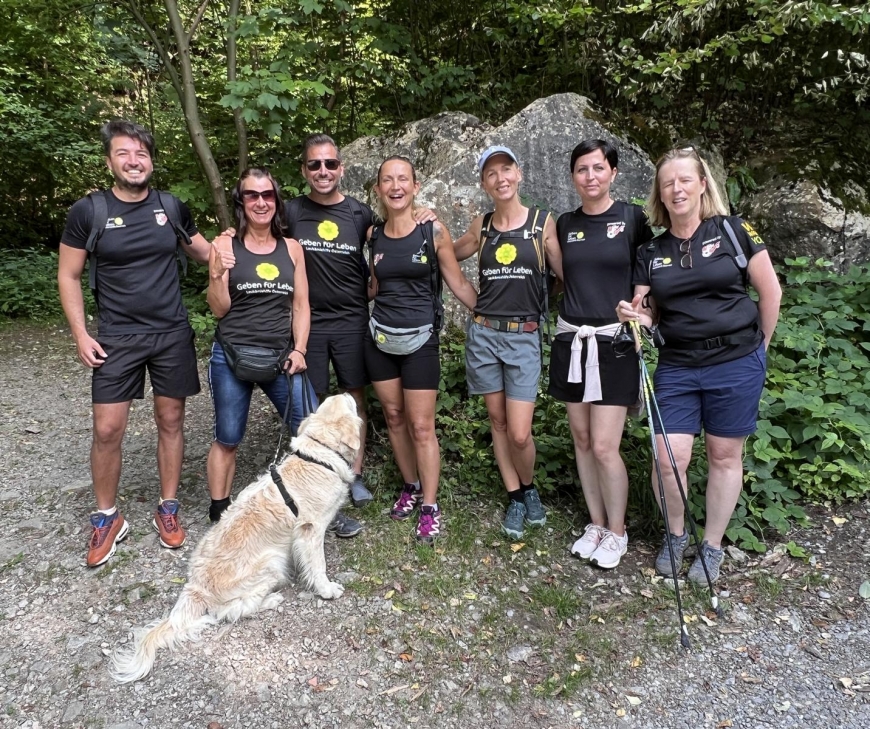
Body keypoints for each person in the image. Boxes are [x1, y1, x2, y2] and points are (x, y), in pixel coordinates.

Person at [617, 147, 781, 582]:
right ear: (660, 193)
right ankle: (677, 534)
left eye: (685, 180)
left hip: (737, 360)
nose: (677, 189)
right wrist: (635, 314)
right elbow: (646, 310)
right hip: (678, 364)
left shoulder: (733, 230)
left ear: (703, 184)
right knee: (668, 457)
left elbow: (771, 292)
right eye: (668, 183)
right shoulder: (651, 251)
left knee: (724, 455)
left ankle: (712, 545)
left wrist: (760, 349)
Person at [57, 119, 212, 567]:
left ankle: (168, 506)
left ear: (151, 162)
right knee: (107, 429)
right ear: (109, 161)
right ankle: (107, 517)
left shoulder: (171, 207)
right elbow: (68, 275)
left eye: (141, 153)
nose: (133, 161)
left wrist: (255, 243)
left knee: (171, 420)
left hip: (171, 333)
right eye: (123, 153)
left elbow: (206, 253)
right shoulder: (89, 211)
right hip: (116, 337)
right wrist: (81, 334)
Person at [283, 134, 437, 535]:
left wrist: (424, 213)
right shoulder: (291, 212)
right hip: (310, 321)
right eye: (314, 164)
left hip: (353, 319)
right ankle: (318, 475)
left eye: (330, 164)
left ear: (342, 168)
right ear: (304, 170)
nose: (323, 171)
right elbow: (258, 233)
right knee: (313, 404)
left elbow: (395, 233)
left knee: (355, 402)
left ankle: (353, 474)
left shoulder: (360, 214)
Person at [548, 140, 654, 569]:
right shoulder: (565, 223)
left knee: (606, 445)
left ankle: (617, 530)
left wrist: (643, 309)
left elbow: (649, 273)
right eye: (581, 169)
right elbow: (560, 276)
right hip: (572, 339)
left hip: (614, 342)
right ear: (572, 176)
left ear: (613, 172)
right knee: (582, 440)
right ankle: (595, 523)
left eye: (598, 168)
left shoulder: (632, 218)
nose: (590, 176)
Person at [366, 156, 478, 544]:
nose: (395, 186)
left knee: (421, 426)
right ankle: (410, 486)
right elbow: (373, 287)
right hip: (381, 339)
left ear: (415, 186)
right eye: (387, 180)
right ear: (378, 189)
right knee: (394, 416)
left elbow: (458, 283)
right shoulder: (373, 235)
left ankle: (430, 506)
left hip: (420, 340)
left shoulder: (433, 231)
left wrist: (489, 313)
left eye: (403, 179)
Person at [453, 146, 562, 540]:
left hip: (523, 337)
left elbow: (565, 275)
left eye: (506, 169)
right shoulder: (480, 226)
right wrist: (424, 226)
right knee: (497, 422)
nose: (500, 178)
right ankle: (515, 497)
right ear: (484, 183)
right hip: (484, 335)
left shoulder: (542, 223)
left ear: (519, 174)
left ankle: (529, 487)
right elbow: (446, 254)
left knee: (519, 432)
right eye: (491, 173)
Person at [205, 167, 317, 524]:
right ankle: (220, 510)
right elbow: (218, 308)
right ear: (241, 202)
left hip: (281, 356)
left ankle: (313, 505)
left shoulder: (292, 248)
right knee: (228, 436)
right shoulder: (224, 246)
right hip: (231, 355)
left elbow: (301, 305)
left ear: (276, 201)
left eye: (267, 194)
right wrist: (217, 274)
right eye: (251, 195)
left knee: (312, 429)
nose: (260, 202)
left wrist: (300, 349)